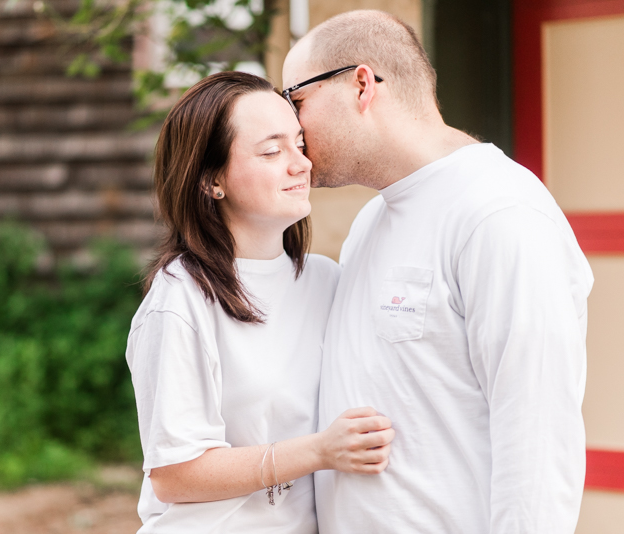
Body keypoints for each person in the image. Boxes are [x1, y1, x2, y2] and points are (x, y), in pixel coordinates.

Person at [282, 10, 594, 534]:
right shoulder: (371, 221)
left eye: (296, 100)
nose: (291, 126)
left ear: (362, 84)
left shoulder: (499, 214)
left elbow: (538, 437)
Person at [125, 71, 395, 534]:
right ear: (212, 181)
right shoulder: (181, 298)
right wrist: (319, 451)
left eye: (299, 143)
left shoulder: (326, 280)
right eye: (271, 151)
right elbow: (174, 474)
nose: (300, 164)